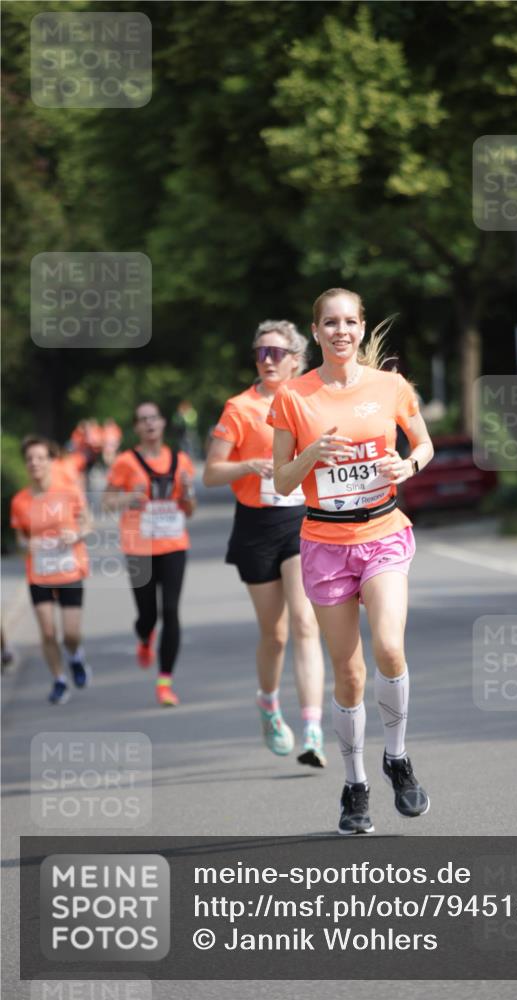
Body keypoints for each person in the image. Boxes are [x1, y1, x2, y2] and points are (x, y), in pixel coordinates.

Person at [270, 288, 434, 834]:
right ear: (314, 332)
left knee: (389, 646)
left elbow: (424, 445)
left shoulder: (390, 387)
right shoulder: (294, 397)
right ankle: (355, 784)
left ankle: (398, 759)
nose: (340, 331)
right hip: (324, 542)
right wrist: (312, 454)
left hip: (384, 531)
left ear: (361, 329)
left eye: (349, 322)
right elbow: (282, 478)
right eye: (329, 323)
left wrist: (406, 466)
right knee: (350, 674)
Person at [204, 321, 327, 767]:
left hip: (302, 521)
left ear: (296, 358)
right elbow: (210, 473)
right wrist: (249, 465)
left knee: (305, 623)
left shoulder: (312, 400)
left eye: (277, 353)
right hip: (256, 526)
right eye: (261, 353)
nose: (268, 360)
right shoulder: (239, 408)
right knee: (274, 634)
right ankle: (269, 704)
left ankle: (313, 730)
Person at [103, 402, 196, 706]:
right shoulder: (126, 462)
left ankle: (164, 682)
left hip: (173, 545)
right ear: (136, 428)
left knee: (170, 611)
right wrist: (129, 497)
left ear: (163, 423)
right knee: (148, 615)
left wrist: (188, 492)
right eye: (142, 420)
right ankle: (145, 638)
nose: (149, 424)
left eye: (154, 418)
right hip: (138, 547)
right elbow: (106, 503)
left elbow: (189, 510)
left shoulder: (180, 460)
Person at [10, 436, 92, 704]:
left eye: (40, 458)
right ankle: (59, 679)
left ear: (50, 461)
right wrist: (27, 543)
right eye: (30, 459)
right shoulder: (20, 501)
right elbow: (20, 538)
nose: (34, 463)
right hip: (39, 572)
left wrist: (77, 534)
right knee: (47, 632)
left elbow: (88, 523)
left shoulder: (68, 491)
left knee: (70, 633)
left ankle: (75, 656)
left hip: (69, 568)